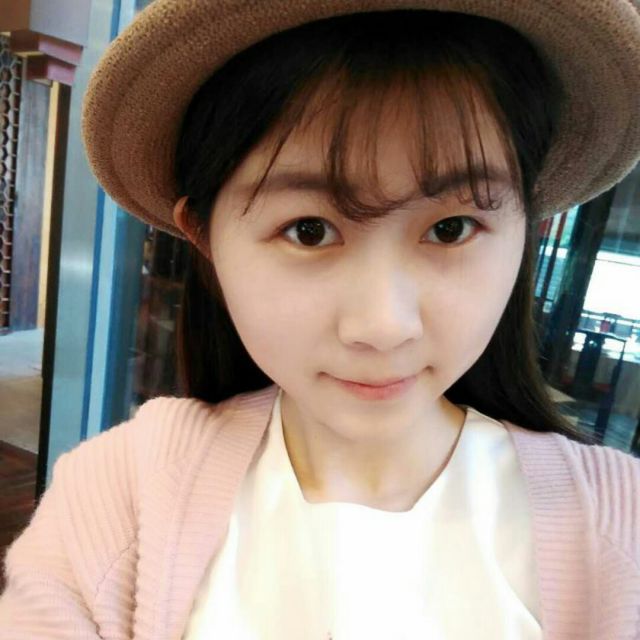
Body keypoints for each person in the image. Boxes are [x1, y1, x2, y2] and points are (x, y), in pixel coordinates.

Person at [1, 1, 640, 638]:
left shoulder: (619, 526)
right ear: (205, 238)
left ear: (530, 228)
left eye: (451, 228)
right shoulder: (120, 497)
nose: (384, 326)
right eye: (309, 230)